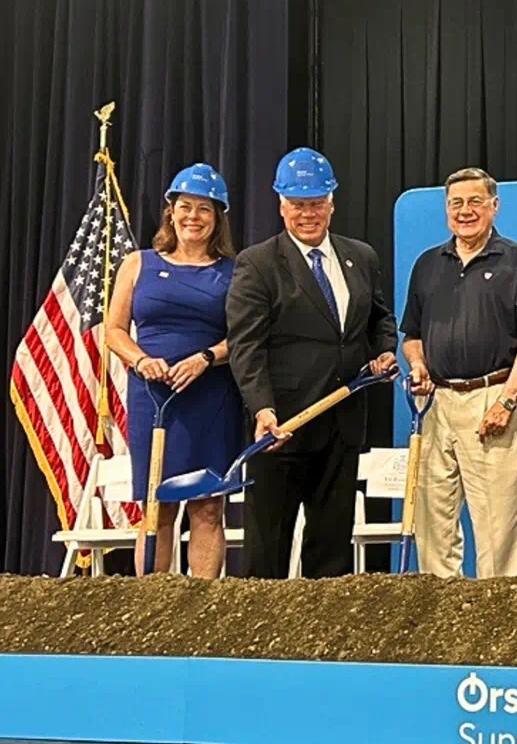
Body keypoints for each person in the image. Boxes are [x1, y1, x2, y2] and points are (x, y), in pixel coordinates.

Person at [226, 147, 397, 579]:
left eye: (317, 203)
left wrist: (385, 349)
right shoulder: (258, 264)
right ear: (281, 206)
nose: (308, 214)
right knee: (268, 552)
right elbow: (246, 345)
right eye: (299, 204)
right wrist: (262, 408)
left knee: (332, 550)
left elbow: (379, 318)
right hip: (282, 428)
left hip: (342, 425)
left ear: (332, 203)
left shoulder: (361, 256)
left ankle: (325, 625)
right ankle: (262, 625)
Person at [400, 168, 517, 578]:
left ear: (493, 206)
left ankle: (497, 611)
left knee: (497, 524)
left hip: (494, 397)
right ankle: (442, 609)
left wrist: (507, 400)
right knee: (432, 520)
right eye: (456, 203)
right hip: (435, 403)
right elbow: (411, 335)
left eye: (475, 202)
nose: (465, 211)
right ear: (446, 209)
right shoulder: (427, 264)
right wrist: (417, 364)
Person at [103, 164, 244, 578]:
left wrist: (206, 357)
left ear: (218, 218)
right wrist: (140, 359)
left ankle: (201, 605)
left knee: (207, 506)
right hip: (152, 398)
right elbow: (113, 330)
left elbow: (246, 336)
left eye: (204, 209)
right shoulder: (138, 263)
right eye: (185, 206)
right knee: (157, 506)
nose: (192, 217)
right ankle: (153, 602)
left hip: (212, 397)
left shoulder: (235, 271)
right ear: (171, 211)